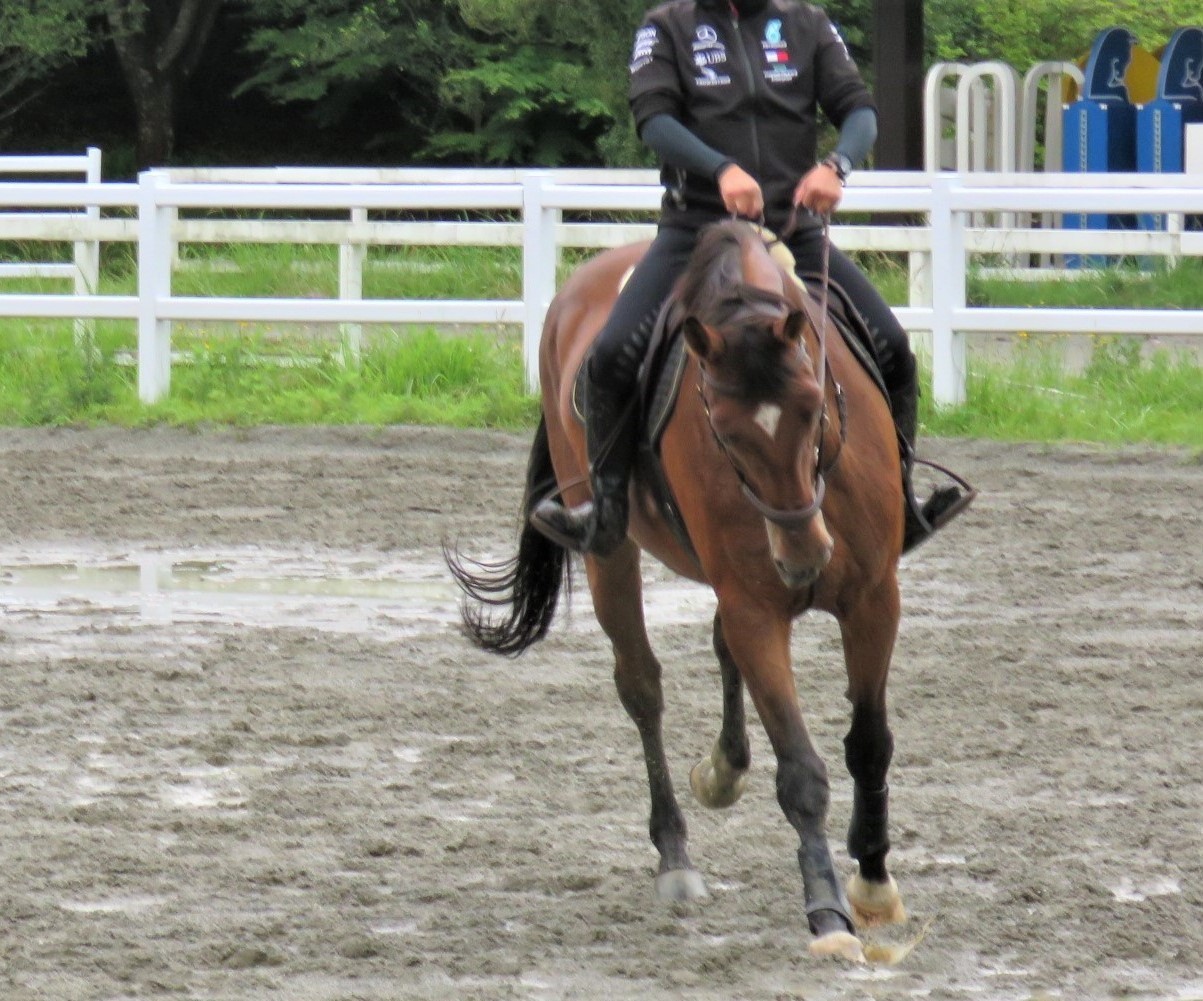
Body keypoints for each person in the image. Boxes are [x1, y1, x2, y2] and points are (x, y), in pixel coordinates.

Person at [531, 0, 973, 557]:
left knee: (893, 348)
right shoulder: (666, 26)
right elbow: (655, 120)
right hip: (697, 230)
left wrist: (838, 164)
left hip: (794, 229)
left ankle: (901, 505)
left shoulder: (807, 23)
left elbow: (858, 110)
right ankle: (608, 511)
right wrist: (720, 170)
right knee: (612, 353)